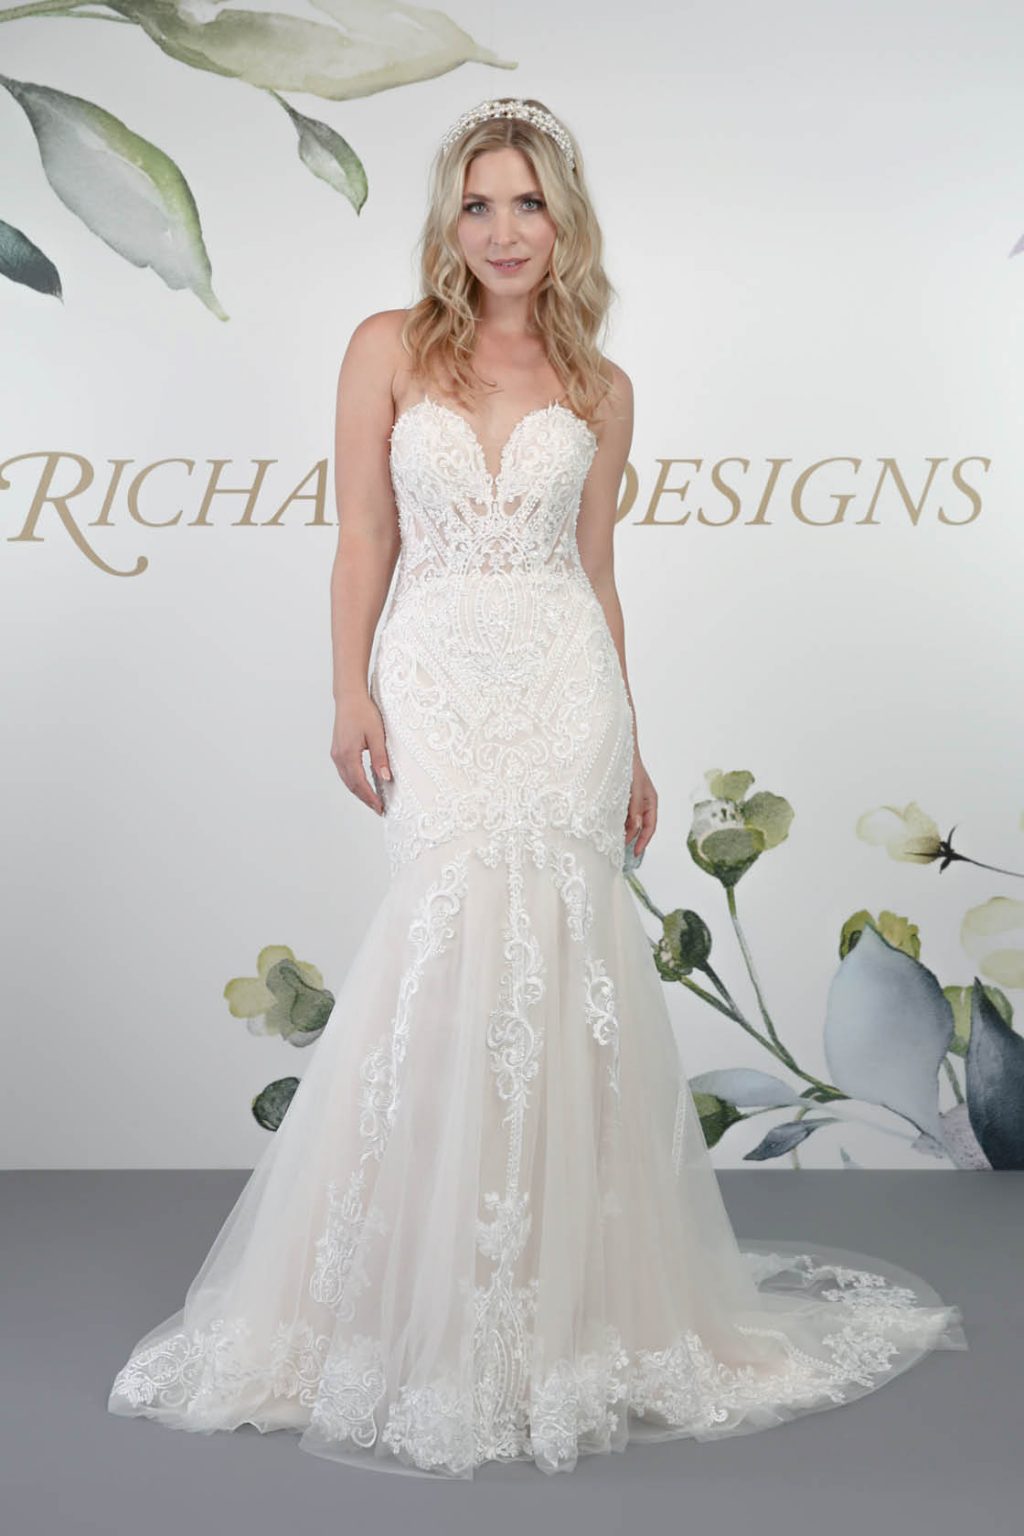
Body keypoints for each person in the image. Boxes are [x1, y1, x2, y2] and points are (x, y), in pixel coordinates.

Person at [108, 96, 967, 1479]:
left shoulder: (602, 385)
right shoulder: (387, 348)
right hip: (438, 679)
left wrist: (632, 737)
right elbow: (363, 537)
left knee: (565, 970)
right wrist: (348, 691)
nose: (504, 230)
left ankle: (566, 1319)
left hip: (568, 690)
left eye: (528, 203)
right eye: (478, 203)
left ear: (565, 223)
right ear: (449, 224)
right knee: (448, 960)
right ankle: (418, 1306)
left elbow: (597, 572)